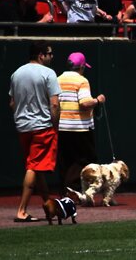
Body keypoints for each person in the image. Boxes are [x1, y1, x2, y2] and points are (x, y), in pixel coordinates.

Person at [9, 40, 61, 222]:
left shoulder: (16, 73)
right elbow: (54, 104)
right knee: (33, 166)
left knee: (35, 165)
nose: (52, 56)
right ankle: (21, 211)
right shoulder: (48, 73)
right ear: (41, 55)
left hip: (23, 127)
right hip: (42, 126)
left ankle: (48, 203)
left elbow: (12, 103)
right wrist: (55, 125)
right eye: (50, 53)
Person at [57, 52, 106, 194]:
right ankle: (76, 190)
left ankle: (65, 191)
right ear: (81, 67)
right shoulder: (82, 80)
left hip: (62, 126)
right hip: (80, 128)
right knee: (85, 159)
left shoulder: (57, 79)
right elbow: (84, 103)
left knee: (65, 160)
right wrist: (98, 100)